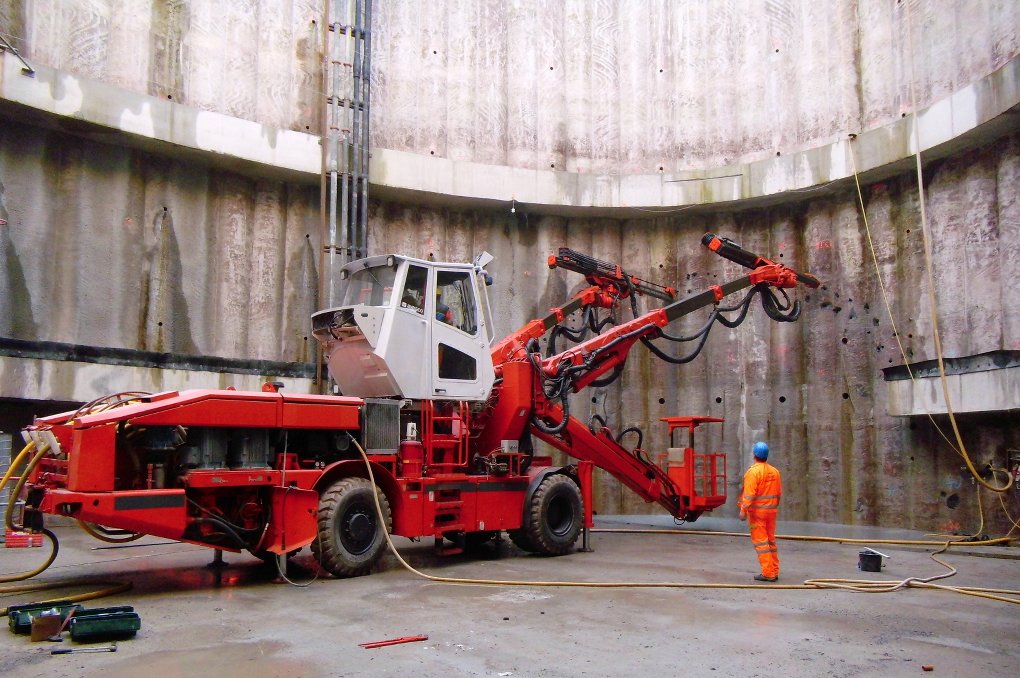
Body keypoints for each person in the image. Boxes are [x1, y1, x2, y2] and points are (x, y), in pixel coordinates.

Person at [738, 441, 782, 582]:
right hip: (771, 512)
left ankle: (768, 573)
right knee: (770, 541)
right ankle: (774, 570)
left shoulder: (753, 472)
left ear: (754, 454)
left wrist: (743, 511)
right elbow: (779, 493)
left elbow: (749, 494)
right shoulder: (775, 472)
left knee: (761, 543)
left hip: (758, 514)